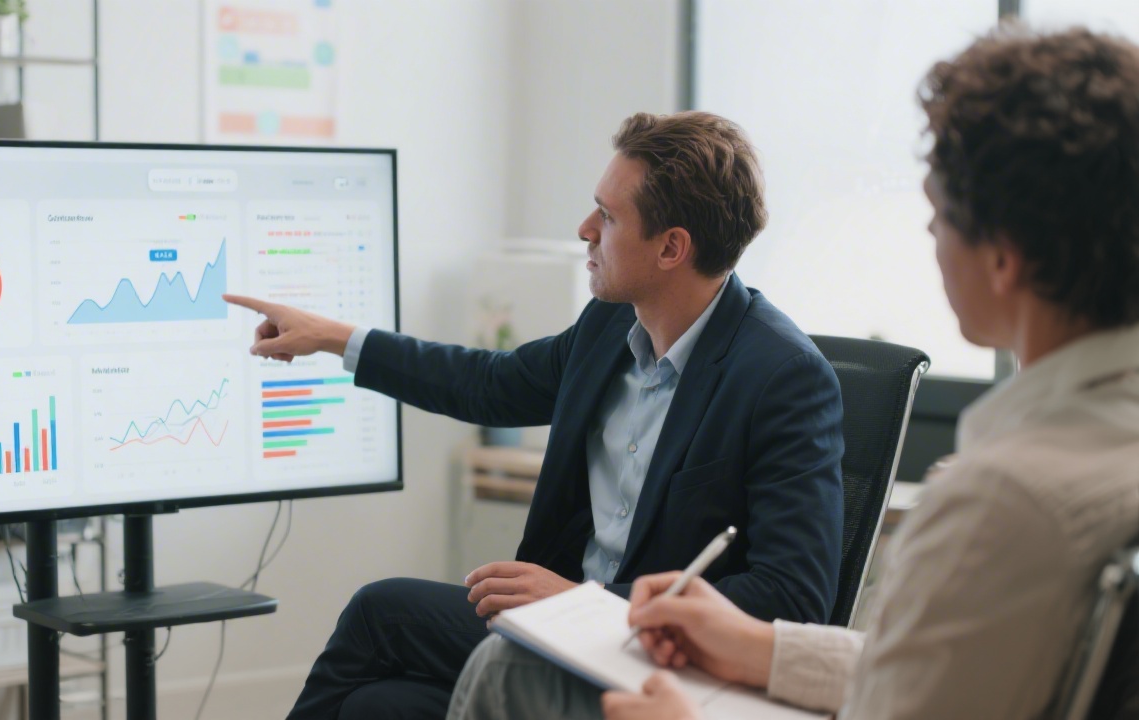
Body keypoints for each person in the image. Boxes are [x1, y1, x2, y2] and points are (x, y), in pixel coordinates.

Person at [446, 26, 1139, 720]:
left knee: (507, 671)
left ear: (1003, 259)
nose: (930, 235)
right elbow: (925, 675)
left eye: (940, 213)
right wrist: (759, 647)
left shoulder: (1001, 505)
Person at [225, 110, 845, 720]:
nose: (584, 229)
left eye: (606, 216)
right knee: (378, 706)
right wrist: (334, 337)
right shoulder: (608, 327)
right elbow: (489, 385)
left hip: (656, 663)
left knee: (380, 613)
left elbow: (792, 600)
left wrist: (592, 603)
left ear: (671, 248)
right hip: (564, 633)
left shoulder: (782, 377)